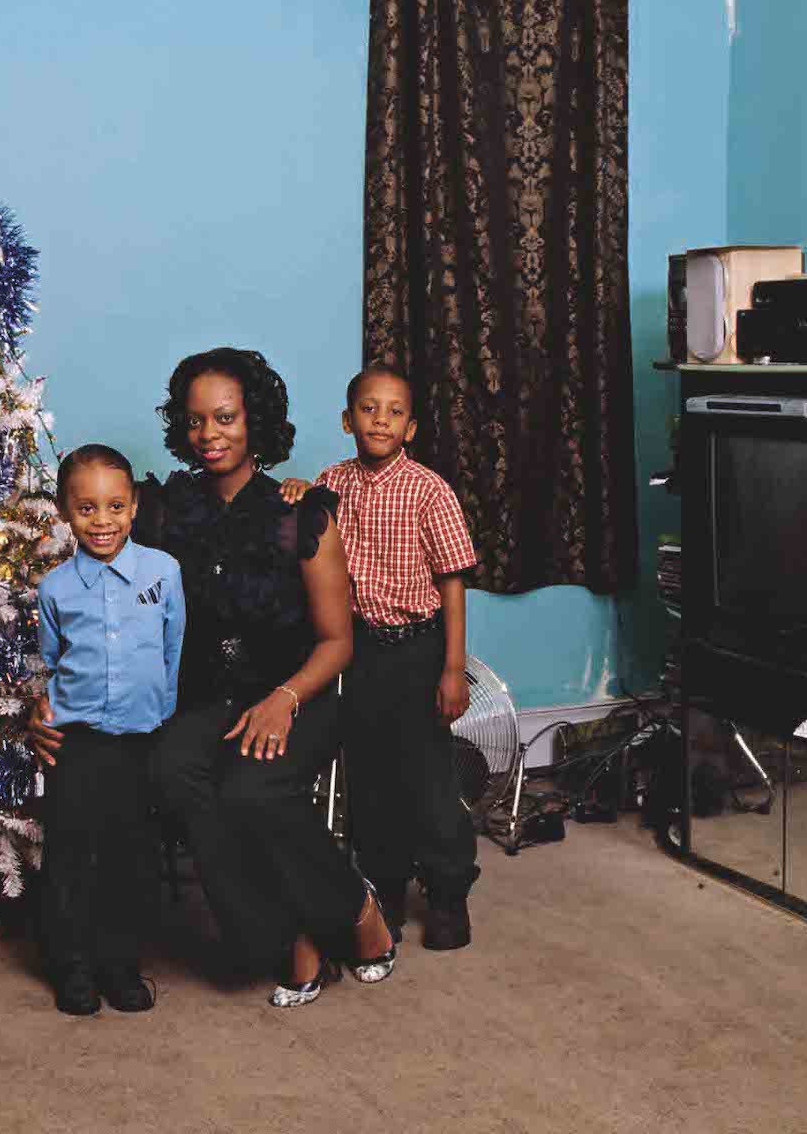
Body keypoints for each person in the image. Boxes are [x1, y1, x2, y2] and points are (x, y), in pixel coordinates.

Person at [32, 348, 396, 1009]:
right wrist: (49, 699)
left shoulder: (301, 513)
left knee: (253, 787)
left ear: (254, 419)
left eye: (225, 417)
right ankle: (283, 935)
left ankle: (352, 909)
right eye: (196, 421)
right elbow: (93, 588)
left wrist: (284, 699)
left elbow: (339, 642)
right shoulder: (163, 512)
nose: (210, 435)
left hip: (300, 694)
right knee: (172, 771)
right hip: (203, 700)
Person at [286, 366, 481, 949]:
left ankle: (448, 893)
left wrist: (451, 667)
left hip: (418, 650)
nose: (381, 420)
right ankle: (384, 888)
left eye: (395, 411)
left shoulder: (429, 489)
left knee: (428, 779)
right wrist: (297, 494)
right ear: (348, 420)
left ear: (411, 426)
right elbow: (305, 536)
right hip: (359, 651)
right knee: (370, 779)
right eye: (369, 409)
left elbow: (452, 583)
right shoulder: (331, 482)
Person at [29, 444, 184, 1016]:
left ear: (134, 506)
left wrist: (160, 719)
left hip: (141, 738)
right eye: (87, 508)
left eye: (115, 506)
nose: (102, 521)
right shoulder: (55, 590)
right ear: (66, 513)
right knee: (72, 855)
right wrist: (43, 713)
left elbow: (173, 650)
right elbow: (49, 661)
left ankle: (120, 964)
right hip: (77, 744)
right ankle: (72, 966)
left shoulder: (164, 573)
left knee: (130, 855)